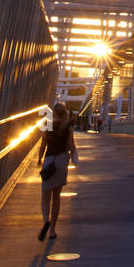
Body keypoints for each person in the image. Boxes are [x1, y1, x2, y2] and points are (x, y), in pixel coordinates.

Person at [37, 102, 78, 243]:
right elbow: (70, 145)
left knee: (45, 195)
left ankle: (45, 221)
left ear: (53, 112)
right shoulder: (67, 127)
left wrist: (39, 159)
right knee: (56, 196)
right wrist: (74, 155)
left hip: (49, 161)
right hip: (62, 161)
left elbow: (43, 144)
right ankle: (53, 230)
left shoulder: (48, 125)